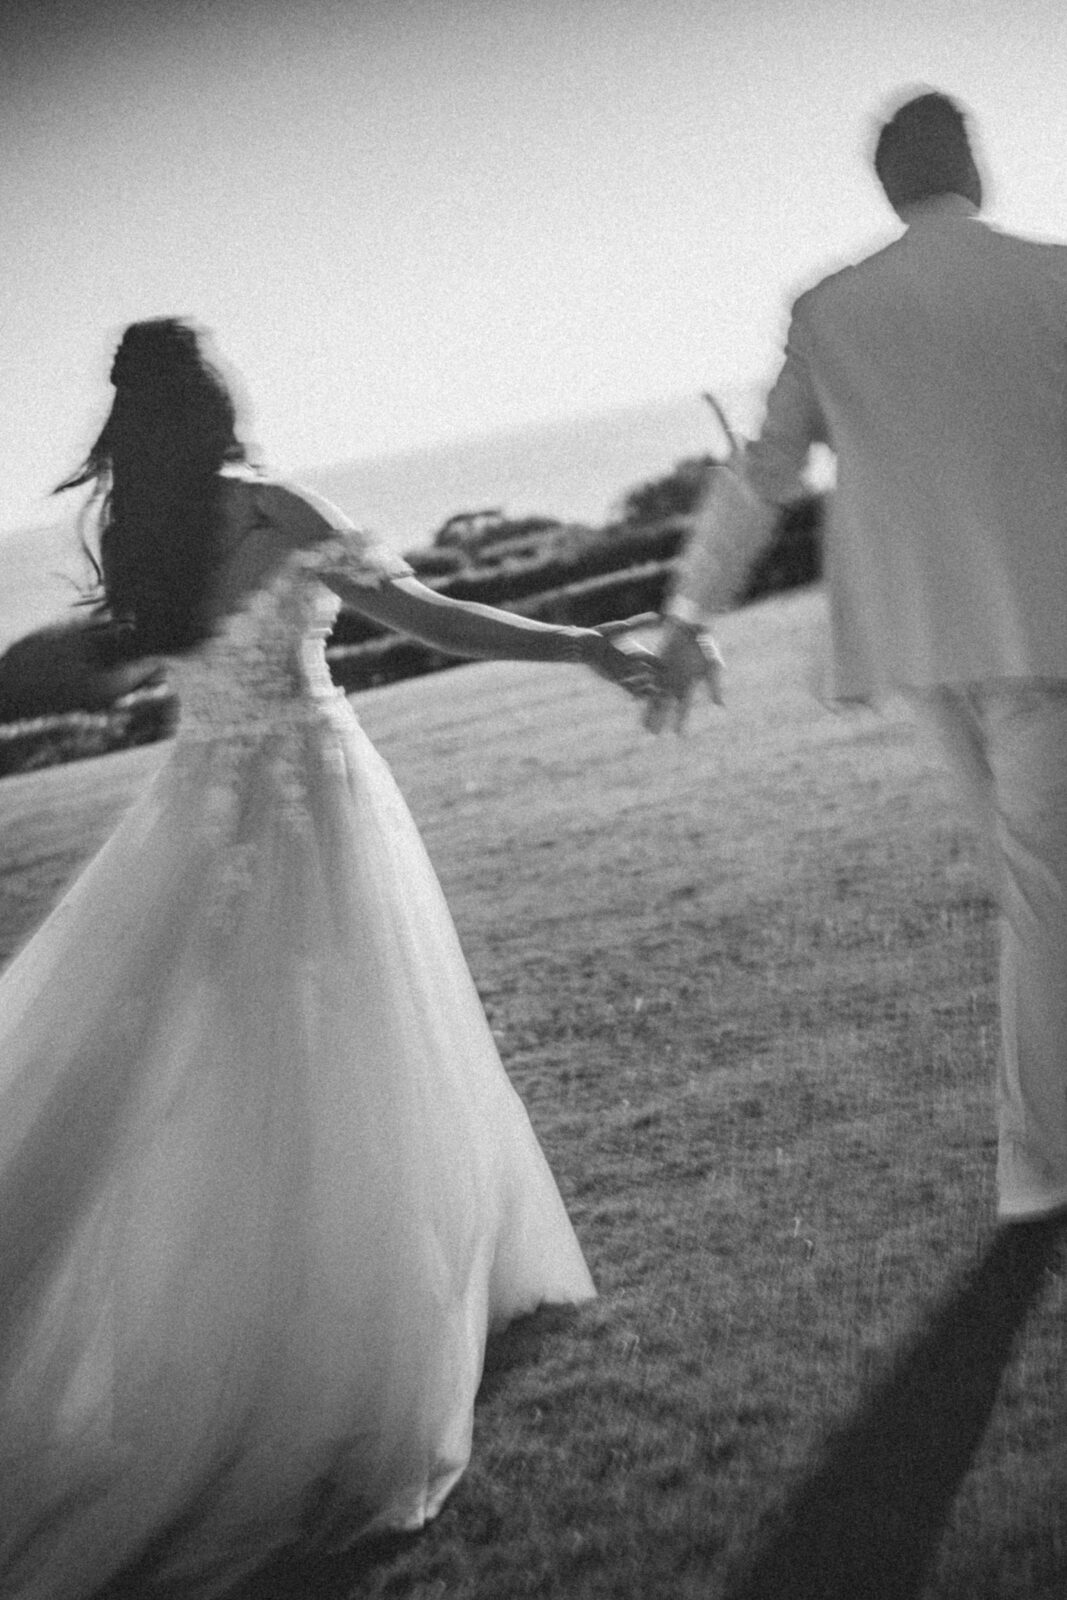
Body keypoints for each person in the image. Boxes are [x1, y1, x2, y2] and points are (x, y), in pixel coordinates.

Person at [0, 317, 660, 1599]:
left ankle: (249, 1322)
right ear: (220, 395)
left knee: (209, 1074)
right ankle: (336, 1355)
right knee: (347, 1051)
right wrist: (580, 643)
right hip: (315, 797)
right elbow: (423, 612)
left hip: (197, 815)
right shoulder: (266, 504)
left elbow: (85, 663)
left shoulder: (149, 531)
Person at [647, 90, 1067, 1226]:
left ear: (885, 186)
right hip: (1045, 631)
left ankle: (1042, 1154)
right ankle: (1035, 1165)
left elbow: (760, 474)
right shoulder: (1051, 274)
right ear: (971, 166)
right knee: (1040, 893)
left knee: (1033, 888)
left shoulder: (826, 309)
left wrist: (689, 609)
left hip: (927, 645)